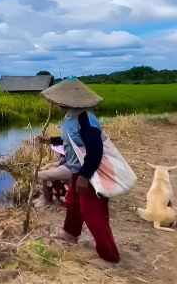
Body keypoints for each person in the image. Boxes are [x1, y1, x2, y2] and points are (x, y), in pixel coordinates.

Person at [34, 77, 120, 264]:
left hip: (89, 174)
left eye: (58, 101)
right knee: (72, 203)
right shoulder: (71, 116)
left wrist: (84, 175)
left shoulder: (87, 121)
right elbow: (71, 141)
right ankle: (69, 234)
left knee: (93, 214)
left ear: (68, 101)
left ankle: (109, 256)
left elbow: (95, 151)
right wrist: (50, 140)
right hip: (76, 171)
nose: (56, 104)